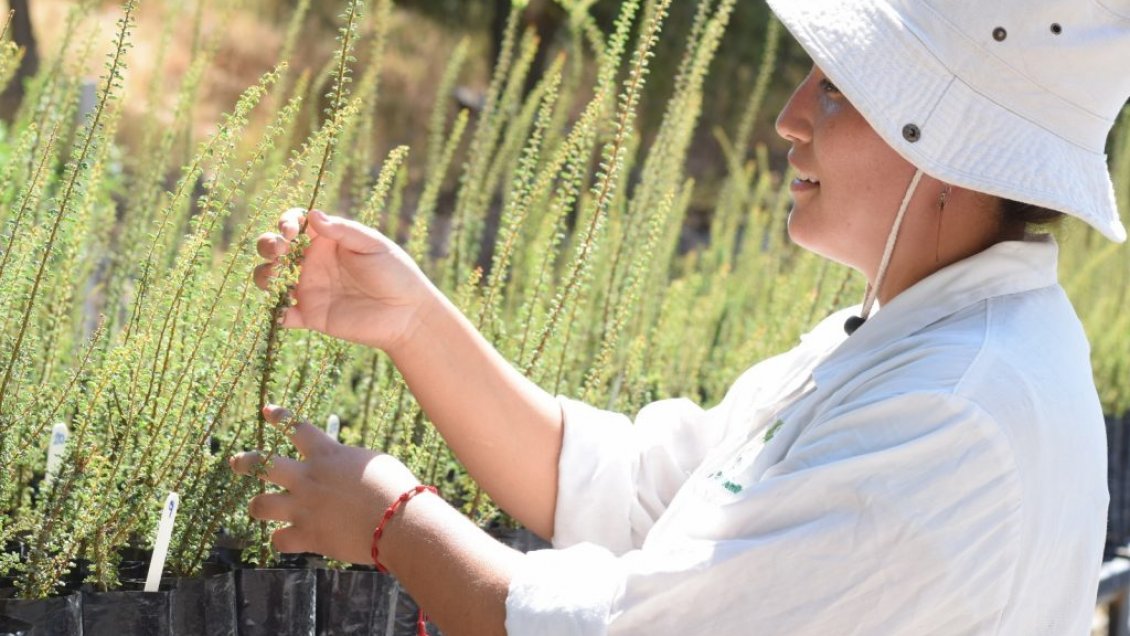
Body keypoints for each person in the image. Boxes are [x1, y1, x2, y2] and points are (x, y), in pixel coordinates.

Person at [229, 0, 1130, 633]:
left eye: (838, 92)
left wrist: (392, 519)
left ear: (952, 152)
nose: (787, 119)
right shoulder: (913, 342)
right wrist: (413, 324)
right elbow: (630, 493)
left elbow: (622, 630)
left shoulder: (951, 411)